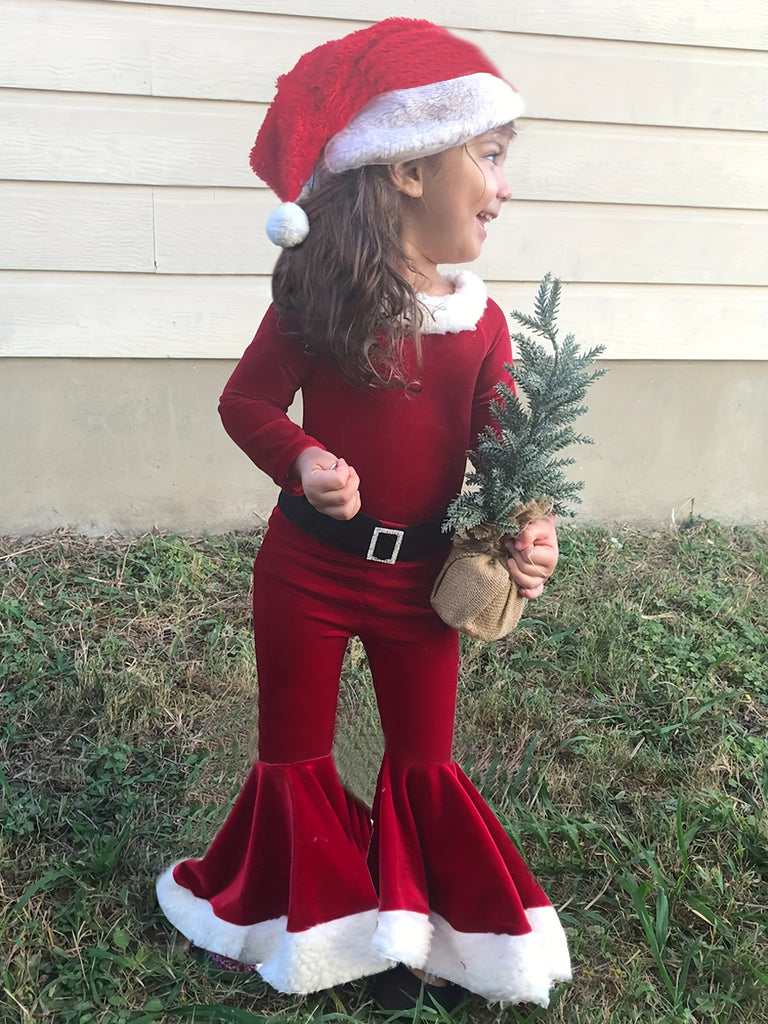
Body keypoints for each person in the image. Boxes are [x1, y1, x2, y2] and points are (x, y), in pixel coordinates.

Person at [156, 17, 571, 1011]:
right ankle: (296, 923)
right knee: (293, 750)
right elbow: (243, 401)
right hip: (306, 567)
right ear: (410, 171)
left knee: (423, 757)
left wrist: (530, 527)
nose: (504, 185)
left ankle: (429, 933)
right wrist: (299, 458)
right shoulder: (319, 297)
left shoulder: (483, 327)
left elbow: (505, 457)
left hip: (422, 584)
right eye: (491, 155)